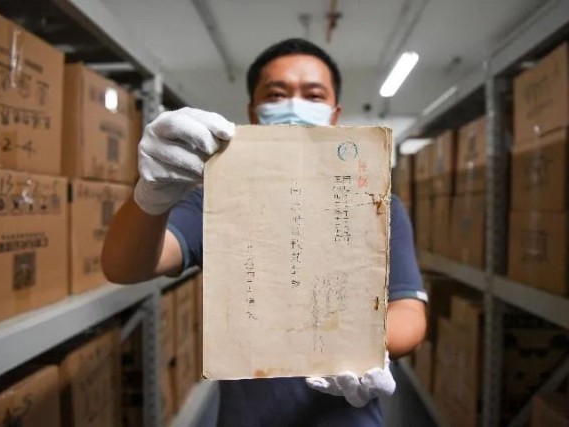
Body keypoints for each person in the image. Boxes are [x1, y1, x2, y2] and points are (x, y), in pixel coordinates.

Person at [102, 38, 427, 427]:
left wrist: (365, 343)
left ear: (335, 113)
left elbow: (409, 311)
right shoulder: (218, 200)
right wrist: (151, 196)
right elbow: (125, 267)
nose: (294, 106)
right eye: (276, 94)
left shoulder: (376, 203)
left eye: (313, 95)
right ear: (252, 111)